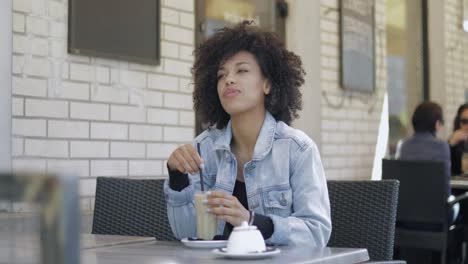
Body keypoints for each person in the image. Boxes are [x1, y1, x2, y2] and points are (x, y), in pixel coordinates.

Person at [163, 21, 331, 246]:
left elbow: (316, 233)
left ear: (268, 85)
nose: (229, 79)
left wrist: (252, 221)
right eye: (221, 75)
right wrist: (177, 177)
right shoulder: (203, 148)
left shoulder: (297, 149)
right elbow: (186, 232)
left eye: (241, 70)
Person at [396, 101, 458, 222]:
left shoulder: (404, 146)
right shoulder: (442, 146)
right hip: (437, 217)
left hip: (406, 215)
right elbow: (446, 190)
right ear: (436, 124)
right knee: (457, 205)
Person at [448, 103, 468, 176]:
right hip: (458, 185)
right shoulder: (454, 142)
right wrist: (451, 144)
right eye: (465, 121)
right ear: (458, 122)